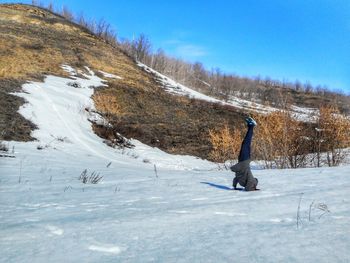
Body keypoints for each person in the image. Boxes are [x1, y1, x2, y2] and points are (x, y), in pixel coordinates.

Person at [230, 117, 259, 191]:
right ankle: (251, 125)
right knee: (246, 143)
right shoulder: (242, 182)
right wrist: (234, 186)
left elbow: (237, 179)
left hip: (244, 161)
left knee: (246, 143)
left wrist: (250, 188)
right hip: (241, 162)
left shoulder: (251, 181)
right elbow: (235, 179)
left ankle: (251, 125)